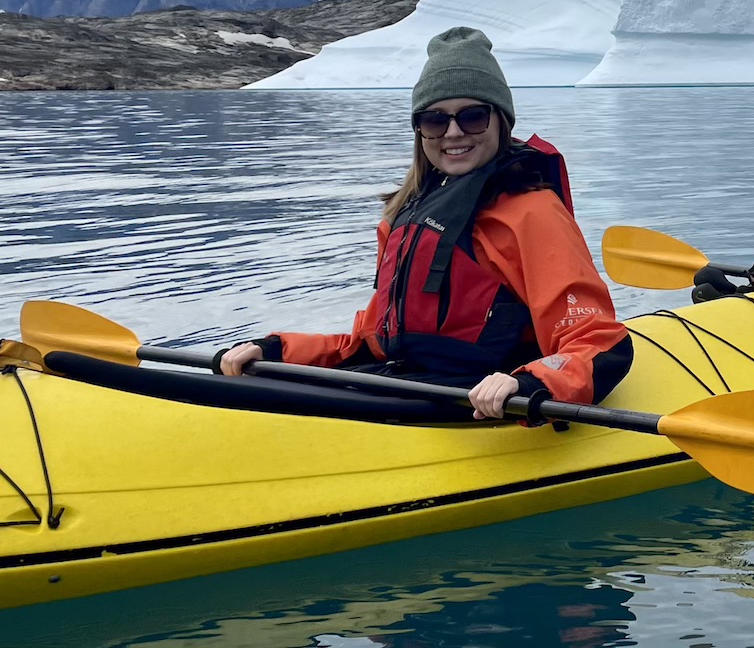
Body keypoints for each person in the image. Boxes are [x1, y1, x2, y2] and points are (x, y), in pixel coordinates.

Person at [219, 26, 633, 420]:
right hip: (414, 384)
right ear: (420, 130)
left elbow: (599, 342)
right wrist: (276, 350)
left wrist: (528, 384)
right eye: (435, 120)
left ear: (501, 121)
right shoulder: (405, 215)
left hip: (482, 398)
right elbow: (369, 345)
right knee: (239, 384)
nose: (453, 132)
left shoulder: (532, 212)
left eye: (472, 116)